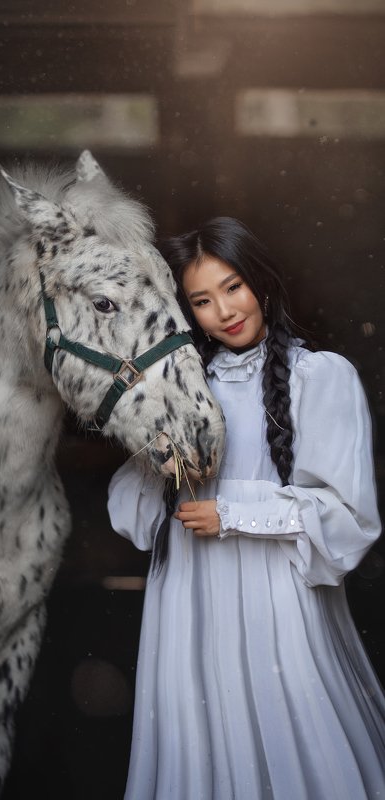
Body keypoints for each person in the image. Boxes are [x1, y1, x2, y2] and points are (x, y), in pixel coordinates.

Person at [107, 216, 385, 800]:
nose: (225, 311)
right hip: (191, 598)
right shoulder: (179, 388)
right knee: (198, 739)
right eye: (202, 300)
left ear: (261, 280)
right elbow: (131, 515)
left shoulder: (319, 378)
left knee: (290, 736)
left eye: (233, 287)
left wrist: (232, 515)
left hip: (275, 599)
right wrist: (154, 452)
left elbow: (350, 519)